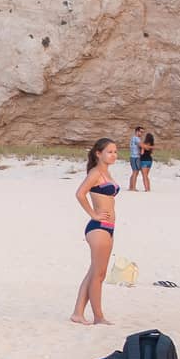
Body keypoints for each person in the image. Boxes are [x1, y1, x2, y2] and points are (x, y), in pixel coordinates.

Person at [72, 138, 119, 325]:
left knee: (94, 272)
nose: (114, 155)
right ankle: (98, 316)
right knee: (99, 275)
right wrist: (93, 214)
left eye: (115, 151)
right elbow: (80, 193)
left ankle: (78, 313)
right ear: (98, 153)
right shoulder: (95, 173)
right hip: (98, 228)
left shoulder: (106, 172)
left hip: (109, 228)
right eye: (110, 151)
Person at [127, 126, 144, 191]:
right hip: (135, 157)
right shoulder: (136, 138)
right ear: (137, 131)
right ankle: (133, 187)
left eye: (142, 132)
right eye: (141, 132)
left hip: (133, 156)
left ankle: (131, 187)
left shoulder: (133, 138)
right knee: (135, 172)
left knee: (134, 172)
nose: (142, 133)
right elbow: (141, 145)